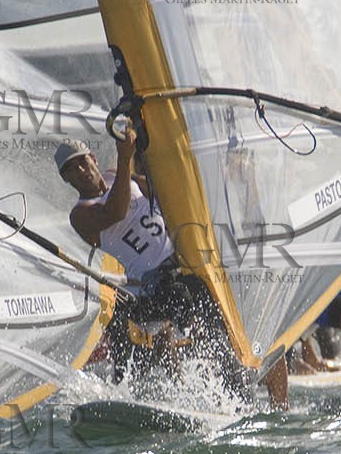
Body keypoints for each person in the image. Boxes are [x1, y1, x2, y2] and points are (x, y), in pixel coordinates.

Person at [57, 129, 288, 407]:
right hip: (153, 286)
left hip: (185, 261)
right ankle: (226, 391)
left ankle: (277, 404)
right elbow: (115, 212)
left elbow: (163, 192)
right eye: (72, 169)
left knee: (246, 308)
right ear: (66, 179)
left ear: (92, 158)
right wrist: (124, 157)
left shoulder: (116, 176)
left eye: (83, 161)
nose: (81, 170)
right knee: (194, 301)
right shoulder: (80, 214)